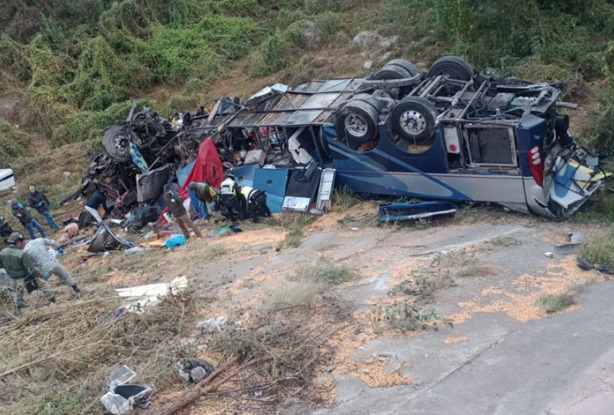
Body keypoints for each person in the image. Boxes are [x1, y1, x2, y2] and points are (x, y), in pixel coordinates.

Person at [0, 232, 55, 314]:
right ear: (18, 242)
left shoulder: (2, 252)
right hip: (24, 276)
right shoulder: (22, 254)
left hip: (11, 277)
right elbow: (31, 270)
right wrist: (42, 275)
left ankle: (17, 311)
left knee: (15, 295)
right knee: (43, 285)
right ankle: (53, 301)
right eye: (22, 242)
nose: (23, 244)